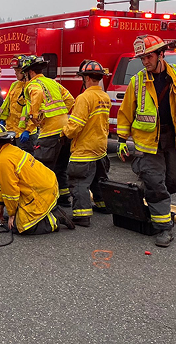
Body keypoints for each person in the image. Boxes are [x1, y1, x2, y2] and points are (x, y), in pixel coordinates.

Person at [117, 35, 176, 247]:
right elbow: (126, 112)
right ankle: (163, 228)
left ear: (161, 54)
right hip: (148, 142)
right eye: (142, 59)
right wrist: (122, 139)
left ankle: (149, 190)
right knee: (156, 182)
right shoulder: (138, 81)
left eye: (148, 57)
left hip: (174, 139)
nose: (145, 62)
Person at [0, 123, 75, 234]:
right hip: (47, 183)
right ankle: (49, 210)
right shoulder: (9, 151)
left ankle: (52, 221)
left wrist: (12, 215)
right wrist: (1, 207)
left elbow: (10, 191)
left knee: (18, 228)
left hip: (41, 191)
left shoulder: (3, 160)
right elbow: (3, 185)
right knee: (17, 216)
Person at [20, 55, 76, 207]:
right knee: (61, 167)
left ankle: (47, 202)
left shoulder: (33, 84)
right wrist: (58, 112)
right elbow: (70, 100)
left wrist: (34, 115)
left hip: (50, 133)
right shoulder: (52, 82)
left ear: (30, 72)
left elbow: (37, 95)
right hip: (65, 130)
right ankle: (64, 198)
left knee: (44, 169)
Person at [61, 60, 111, 227]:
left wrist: (64, 132)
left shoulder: (84, 98)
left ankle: (82, 215)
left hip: (84, 149)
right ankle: (103, 205)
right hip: (100, 148)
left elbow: (75, 125)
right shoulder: (105, 97)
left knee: (79, 182)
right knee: (98, 179)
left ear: (87, 78)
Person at [0, 55, 37, 154]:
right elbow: (7, 105)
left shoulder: (32, 87)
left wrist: (28, 130)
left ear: (25, 71)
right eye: (15, 71)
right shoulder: (14, 85)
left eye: (18, 71)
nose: (16, 74)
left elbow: (34, 111)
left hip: (25, 134)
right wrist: (3, 120)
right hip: (12, 132)